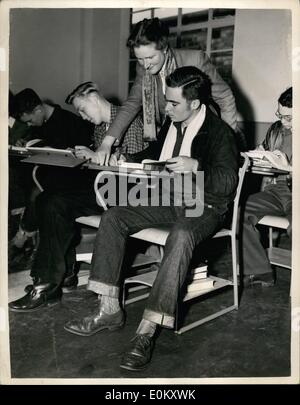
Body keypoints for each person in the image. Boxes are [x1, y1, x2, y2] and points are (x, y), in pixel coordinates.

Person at [64, 66, 239, 371]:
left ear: (194, 103)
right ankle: (109, 309)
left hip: (205, 204)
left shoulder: (219, 132)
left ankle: (147, 330)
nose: (166, 108)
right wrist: (127, 159)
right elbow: (155, 152)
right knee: (114, 215)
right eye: (166, 101)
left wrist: (196, 165)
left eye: (173, 103)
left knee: (182, 234)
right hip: (171, 197)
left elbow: (226, 183)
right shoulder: (174, 123)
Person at [9, 81, 146, 312]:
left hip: (127, 193)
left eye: (83, 109)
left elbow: (135, 172)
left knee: (54, 201)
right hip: (104, 188)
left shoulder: (130, 121)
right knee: (47, 199)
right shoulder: (100, 127)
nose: (82, 116)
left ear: (94, 98)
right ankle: (47, 282)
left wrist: (97, 157)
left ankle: (47, 284)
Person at [84, 17, 238, 166]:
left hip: (201, 131)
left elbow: (225, 97)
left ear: (164, 48)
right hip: (167, 131)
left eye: (150, 57)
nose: (145, 65)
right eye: (139, 59)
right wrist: (106, 143)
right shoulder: (143, 68)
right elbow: (131, 104)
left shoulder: (195, 59)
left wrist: (226, 141)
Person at [10, 88, 94, 251]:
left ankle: (24, 235)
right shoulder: (41, 122)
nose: (29, 125)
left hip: (76, 176)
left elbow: (81, 157)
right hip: (51, 174)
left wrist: (52, 149)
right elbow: (37, 141)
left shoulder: (70, 121)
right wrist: (25, 143)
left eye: (30, 120)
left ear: (38, 109)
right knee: (28, 181)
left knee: (38, 192)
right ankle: (26, 232)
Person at [240, 87, 292, 287]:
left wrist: (288, 167)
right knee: (240, 212)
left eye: (289, 118)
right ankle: (259, 271)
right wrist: (253, 156)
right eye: (281, 115)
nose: (283, 123)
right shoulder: (277, 129)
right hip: (277, 190)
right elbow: (263, 150)